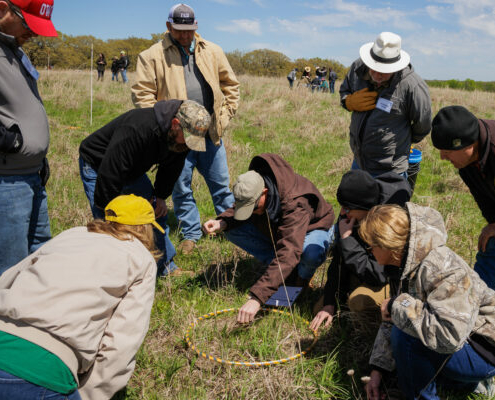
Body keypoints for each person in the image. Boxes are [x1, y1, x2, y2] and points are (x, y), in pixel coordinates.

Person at [0, 194, 161, 400]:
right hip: (45, 372)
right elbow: (121, 344)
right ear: (144, 228)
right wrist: (87, 395)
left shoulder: (72, 234)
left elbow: (9, 278)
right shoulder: (141, 259)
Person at [132, 3, 240, 255]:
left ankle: (231, 228)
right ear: (169, 26)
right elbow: (142, 95)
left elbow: (231, 86)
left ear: (196, 27)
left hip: (210, 134)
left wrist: (223, 117)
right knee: (180, 188)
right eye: (179, 30)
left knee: (221, 185)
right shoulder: (152, 56)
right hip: (177, 137)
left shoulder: (213, 51)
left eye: (189, 30)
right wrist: (165, 126)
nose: (184, 35)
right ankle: (191, 233)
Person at [359, 203, 495, 399]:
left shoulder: (441, 267)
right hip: (462, 343)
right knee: (405, 329)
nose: (369, 251)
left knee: (405, 335)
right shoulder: (402, 265)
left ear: (387, 245)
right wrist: (377, 370)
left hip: (483, 350)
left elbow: (449, 335)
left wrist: (398, 305)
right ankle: (467, 385)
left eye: (371, 245)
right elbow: (393, 316)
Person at [79, 99, 210, 276]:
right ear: (175, 124)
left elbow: (172, 167)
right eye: (187, 138)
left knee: (154, 214)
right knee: (110, 223)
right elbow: (110, 171)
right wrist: (108, 208)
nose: (189, 144)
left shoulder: (181, 139)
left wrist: (160, 197)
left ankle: (164, 266)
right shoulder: (138, 128)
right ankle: (114, 275)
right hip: (99, 165)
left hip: (133, 169)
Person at [203, 153, 335, 323]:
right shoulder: (256, 184)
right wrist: (223, 221)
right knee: (232, 229)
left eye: (253, 207)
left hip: (313, 228)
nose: (249, 211)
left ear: (264, 192)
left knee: (310, 254)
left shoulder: (296, 203)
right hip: (282, 230)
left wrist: (257, 297)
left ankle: (301, 279)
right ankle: (282, 271)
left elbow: (289, 251)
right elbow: (241, 204)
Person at [310, 169, 411, 331]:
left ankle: (384, 321)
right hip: (362, 268)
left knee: (358, 301)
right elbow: (338, 262)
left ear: (366, 208)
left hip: (388, 281)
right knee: (320, 307)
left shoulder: (386, 224)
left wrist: (348, 241)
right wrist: (330, 302)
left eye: (347, 208)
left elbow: (379, 274)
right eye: (342, 206)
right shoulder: (350, 217)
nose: (342, 213)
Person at [0, 0, 57, 276]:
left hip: (32, 175)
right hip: (6, 181)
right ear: (2, 8)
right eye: (28, 24)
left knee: (40, 259)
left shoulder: (15, 50)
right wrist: (8, 141)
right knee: (11, 269)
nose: (33, 33)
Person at [340, 32, 431, 178]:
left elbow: (423, 125)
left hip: (390, 170)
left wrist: (404, 140)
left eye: (383, 71)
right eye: (373, 68)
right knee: (355, 201)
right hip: (359, 161)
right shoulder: (358, 68)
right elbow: (344, 91)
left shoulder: (412, 86)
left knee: (388, 202)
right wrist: (348, 102)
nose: (376, 75)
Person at [431, 105, 495, 290]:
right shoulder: (467, 164)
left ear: (469, 144)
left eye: (448, 151)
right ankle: (479, 298)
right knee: (490, 243)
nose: (443, 157)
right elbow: (486, 202)